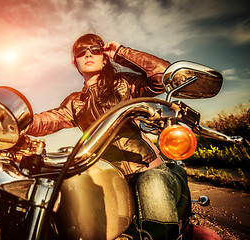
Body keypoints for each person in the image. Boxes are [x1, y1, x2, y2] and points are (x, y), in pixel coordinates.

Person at [27, 33, 182, 240]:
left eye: (95, 50)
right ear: (76, 63)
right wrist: (13, 119)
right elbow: (45, 121)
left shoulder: (125, 84)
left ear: (104, 57)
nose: (88, 54)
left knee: (151, 182)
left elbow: (162, 76)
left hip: (146, 169)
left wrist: (121, 52)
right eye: (81, 52)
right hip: (111, 178)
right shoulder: (75, 102)